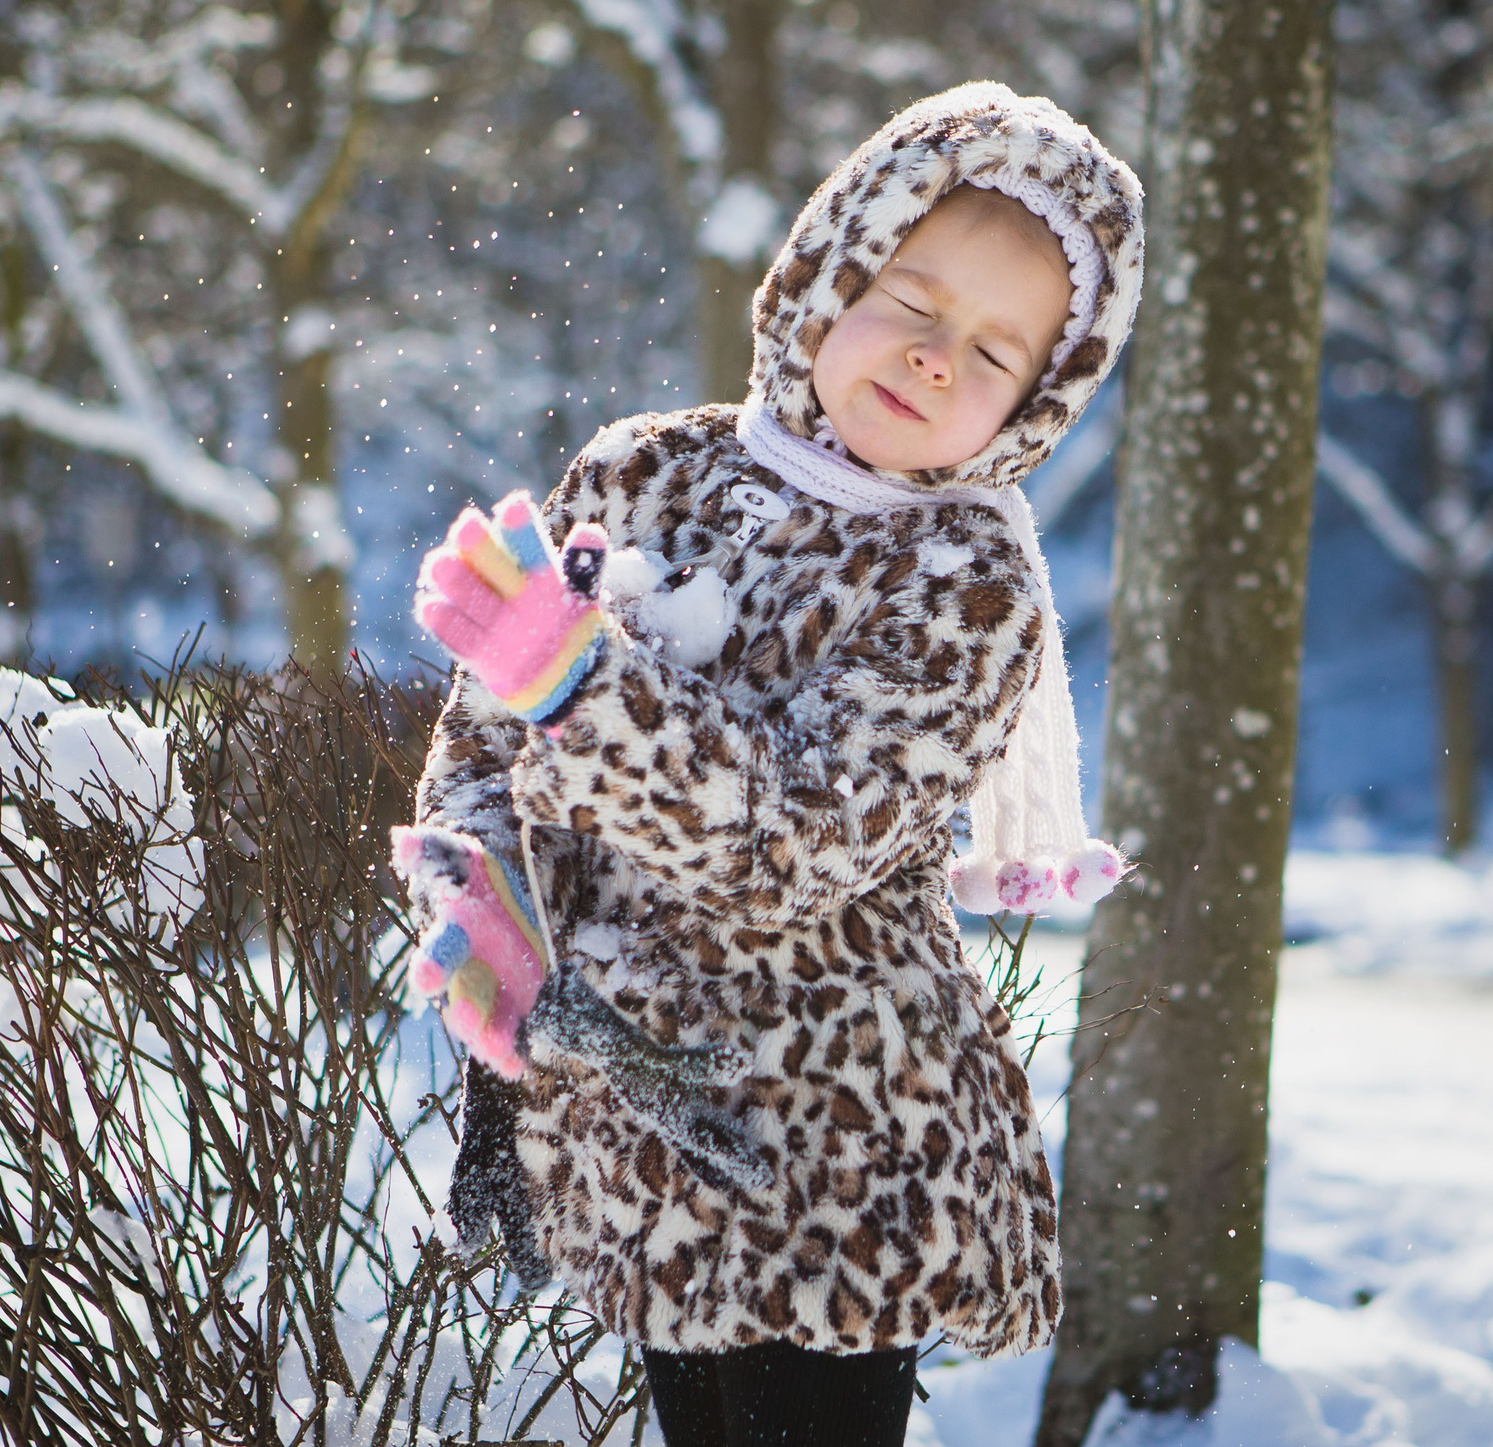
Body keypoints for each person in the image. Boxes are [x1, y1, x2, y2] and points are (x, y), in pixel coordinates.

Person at [394, 83, 1146, 1447]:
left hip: (843, 1144)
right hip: (640, 1114)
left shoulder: (965, 578)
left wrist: (581, 683)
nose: (932, 358)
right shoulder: (645, 474)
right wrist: (486, 917)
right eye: (913, 305)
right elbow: (489, 736)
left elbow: (793, 842)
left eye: (988, 353)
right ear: (826, 270)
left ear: (1037, 403)